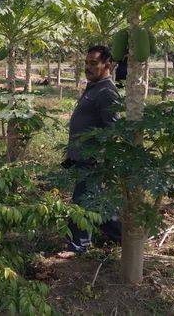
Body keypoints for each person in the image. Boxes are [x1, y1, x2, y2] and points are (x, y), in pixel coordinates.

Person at [62, 45, 122, 252]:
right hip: (82, 156)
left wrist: (103, 157)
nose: (87, 67)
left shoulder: (107, 92)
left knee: (82, 203)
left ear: (108, 65)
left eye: (93, 63)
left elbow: (113, 128)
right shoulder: (95, 87)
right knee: (95, 203)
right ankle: (124, 236)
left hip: (92, 159)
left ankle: (79, 244)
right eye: (86, 63)